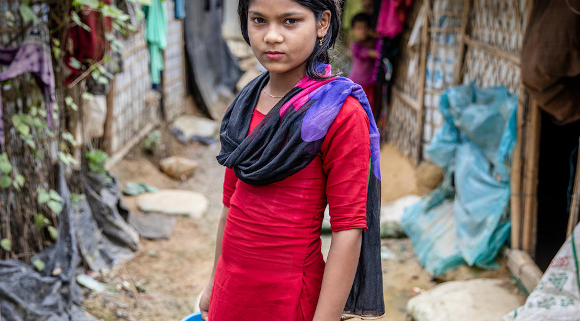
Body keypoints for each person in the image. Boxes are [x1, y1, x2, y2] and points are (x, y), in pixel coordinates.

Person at [200, 0, 384, 320]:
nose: (271, 36)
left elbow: (347, 231)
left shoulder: (337, 113)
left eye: (289, 21)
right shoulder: (245, 101)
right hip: (231, 291)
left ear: (323, 23)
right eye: (259, 20)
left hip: (287, 298)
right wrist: (214, 284)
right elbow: (230, 207)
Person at [348, 13, 380, 113]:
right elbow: (374, 54)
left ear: (369, 28)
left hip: (371, 83)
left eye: (365, 27)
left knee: (369, 110)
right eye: (358, 28)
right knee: (357, 110)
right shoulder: (355, 46)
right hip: (357, 83)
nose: (362, 31)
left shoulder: (375, 42)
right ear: (353, 30)